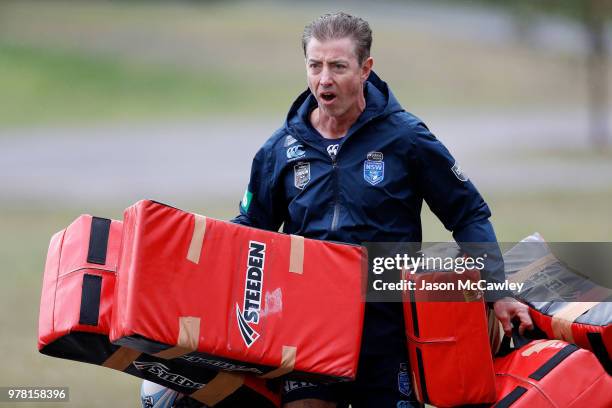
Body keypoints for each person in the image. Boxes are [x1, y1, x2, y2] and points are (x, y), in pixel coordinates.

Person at [232, 12, 533, 408]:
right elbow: (250, 229)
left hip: (387, 334)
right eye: (315, 65)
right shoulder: (280, 148)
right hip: (308, 329)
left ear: (365, 69)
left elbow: (467, 214)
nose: (324, 79)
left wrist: (497, 291)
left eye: (338, 66)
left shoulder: (406, 138)